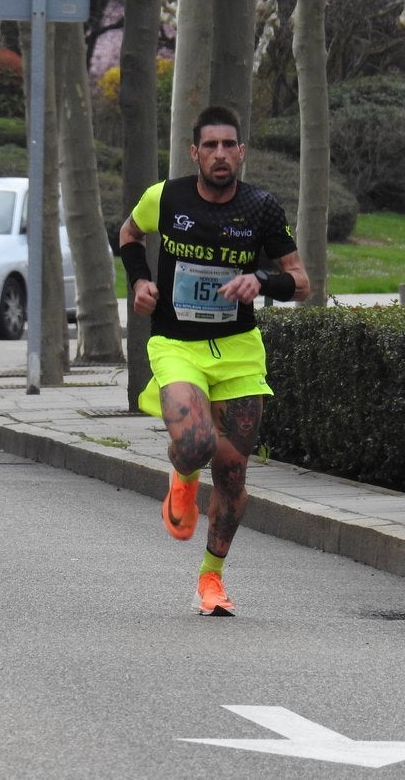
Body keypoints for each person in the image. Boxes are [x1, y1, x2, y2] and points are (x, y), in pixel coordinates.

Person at [118, 105, 310, 616]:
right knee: (197, 443)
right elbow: (129, 235)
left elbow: (301, 282)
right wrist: (138, 281)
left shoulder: (262, 208)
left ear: (241, 152)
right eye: (211, 146)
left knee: (232, 476)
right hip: (177, 343)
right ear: (195, 152)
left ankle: (211, 580)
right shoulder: (166, 197)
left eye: (230, 146)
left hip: (239, 353)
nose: (220, 154)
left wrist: (262, 281)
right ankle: (181, 478)